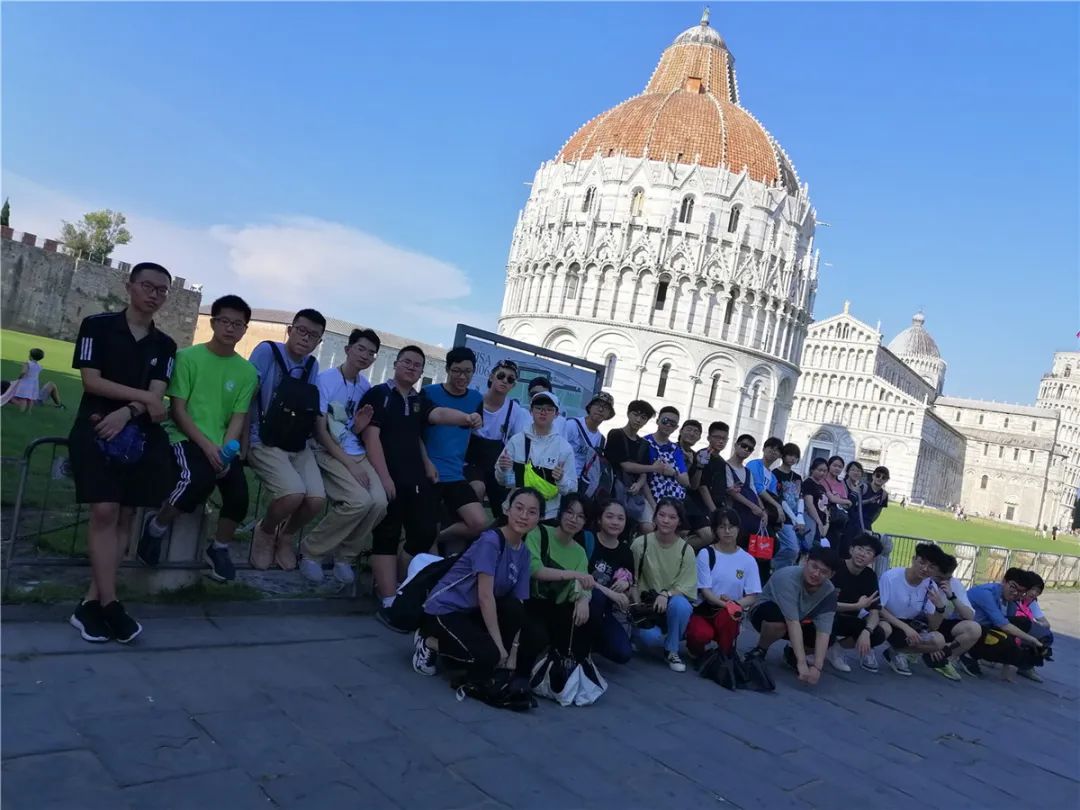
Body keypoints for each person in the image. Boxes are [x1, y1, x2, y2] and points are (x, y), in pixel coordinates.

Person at [67, 262, 177, 643]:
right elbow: (90, 380)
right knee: (104, 510)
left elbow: (158, 398)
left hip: (137, 435)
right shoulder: (97, 326)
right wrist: (144, 397)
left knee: (127, 514)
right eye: (148, 286)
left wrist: (131, 409)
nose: (155, 295)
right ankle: (111, 603)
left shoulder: (165, 346)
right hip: (95, 427)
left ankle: (90, 603)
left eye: (163, 290)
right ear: (129, 286)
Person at [137, 295, 258, 583]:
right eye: (225, 321)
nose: (230, 329)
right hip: (185, 437)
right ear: (213, 322)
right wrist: (207, 446)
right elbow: (178, 410)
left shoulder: (248, 372)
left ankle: (220, 548)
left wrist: (225, 452)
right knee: (196, 481)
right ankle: (155, 528)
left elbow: (238, 417)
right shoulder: (188, 358)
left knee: (239, 495)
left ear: (245, 329)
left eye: (237, 324)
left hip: (220, 444)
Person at [415, 487, 541, 689]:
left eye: (532, 512)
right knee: (490, 654)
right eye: (519, 508)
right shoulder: (491, 541)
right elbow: (485, 596)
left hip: (472, 613)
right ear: (507, 510)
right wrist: (500, 648)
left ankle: (480, 657)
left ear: (538, 519)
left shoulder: (524, 553)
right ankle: (428, 642)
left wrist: (513, 654)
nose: (524, 516)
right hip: (445, 610)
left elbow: (519, 604)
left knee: (513, 609)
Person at [300, 328, 386, 585]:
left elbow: (352, 428)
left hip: (355, 450)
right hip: (326, 449)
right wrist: (350, 464)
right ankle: (311, 551)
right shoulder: (325, 380)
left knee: (379, 503)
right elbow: (320, 429)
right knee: (358, 501)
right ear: (348, 349)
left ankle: (345, 556)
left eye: (371, 352)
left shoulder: (365, 386)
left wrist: (358, 427)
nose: (365, 355)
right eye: (361, 349)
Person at [244, 309, 327, 572]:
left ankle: (286, 535)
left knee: (315, 500)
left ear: (319, 342)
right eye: (301, 331)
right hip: (263, 438)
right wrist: (244, 442)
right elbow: (246, 397)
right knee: (292, 494)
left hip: (295, 441)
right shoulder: (266, 351)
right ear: (289, 330)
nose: (305, 338)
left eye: (313, 335)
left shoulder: (312, 366)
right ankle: (265, 531)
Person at [362, 346, 440, 609]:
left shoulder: (419, 399)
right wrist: (384, 478)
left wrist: (427, 461)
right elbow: (371, 437)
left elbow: (418, 431)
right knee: (388, 533)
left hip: (415, 476)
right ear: (395, 363)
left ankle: (398, 578)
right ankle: (387, 597)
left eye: (417, 365)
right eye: (407, 362)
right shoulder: (379, 394)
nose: (411, 367)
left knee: (426, 530)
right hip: (389, 477)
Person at [517, 494, 597, 679]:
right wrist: (574, 574)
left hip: (556, 606)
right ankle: (521, 677)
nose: (573, 519)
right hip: (529, 601)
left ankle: (568, 674)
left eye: (580, 516)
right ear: (560, 513)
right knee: (537, 634)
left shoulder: (579, 553)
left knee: (586, 619)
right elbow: (535, 570)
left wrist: (584, 600)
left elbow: (583, 584)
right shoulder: (539, 532)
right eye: (569, 512)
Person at [423, 347, 488, 553]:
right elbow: (417, 433)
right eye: (457, 370)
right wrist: (425, 462)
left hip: (455, 473)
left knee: (479, 523)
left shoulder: (476, 398)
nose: (462, 376)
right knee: (426, 543)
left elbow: (477, 426)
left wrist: (477, 420)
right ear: (447, 369)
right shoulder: (429, 393)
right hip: (429, 472)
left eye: (468, 371)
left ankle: (438, 536)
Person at [745, 547, 840, 687]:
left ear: (831, 575)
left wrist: (817, 667)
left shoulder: (829, 592)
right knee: (778, 621)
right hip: (767, 613)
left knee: (832, 634)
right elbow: (792, 622)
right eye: (814, 567)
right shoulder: (787, 577)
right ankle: (760, 649)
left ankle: (791, 654)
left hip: (800, 620)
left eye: (823, 572)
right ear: (806, 561)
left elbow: (823, 631)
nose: (816, 573)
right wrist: (802, 664)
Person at [629, 498, 696, 672]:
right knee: (649, 638)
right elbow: (632, 580)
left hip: (671, 602)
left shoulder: (686, 550)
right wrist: (636, 607)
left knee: (682, 605)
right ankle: (636, 635)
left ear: (679, 521)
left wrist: (666, 595)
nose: (666, 520)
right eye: (662, 515)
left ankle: (671, 650)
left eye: (672, 517)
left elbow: (687, 587)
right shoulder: (640, 544)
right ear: (655, 516)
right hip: (647, 605)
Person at [686, 508, 761, 659]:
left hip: (729, 612)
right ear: (715, 530)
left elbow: (752, 595)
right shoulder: (706, 554)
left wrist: (734, 604)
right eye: (722, 526)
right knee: (700, 634)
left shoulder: (748, 560)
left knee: (729, 617)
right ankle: (696, 650)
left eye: (731, 526)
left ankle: (724, 654)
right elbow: (705, 591)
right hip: (705, 609)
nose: (727, 531)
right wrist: (727, 604)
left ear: (738, 529)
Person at [495, 391, 577, 522]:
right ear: (530, 411)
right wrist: (503, 470)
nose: (543, 412)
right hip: (515, 512)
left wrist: (561, 479)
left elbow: (572, 489)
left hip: (546, 516)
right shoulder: (516, 441)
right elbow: (505, 482)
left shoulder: (564, 448)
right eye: (538, 408)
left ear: (557, 414)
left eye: (549, 409)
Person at [465, 359, 530, 520]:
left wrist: (514, 481)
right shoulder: (474, 401)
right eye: (501, 376)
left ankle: (498, 537)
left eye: (510, 379)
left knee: (507, 506)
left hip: (497, 465)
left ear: (513, 385)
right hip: (470, 463)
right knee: (477, 489)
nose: (504, 381)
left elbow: (519, 446)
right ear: (491, 376)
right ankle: (470, 529)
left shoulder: (515, 411)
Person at [876, 543, 950, 676]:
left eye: (931, 567)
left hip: (908, 623)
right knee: (884, 629)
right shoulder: (891, 577)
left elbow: (934, 626)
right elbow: (879, 607)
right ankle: (867, 650)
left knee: (938, 640)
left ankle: (897, 652)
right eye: (922, 562)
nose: (925, 569)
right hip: (886, 619)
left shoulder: (930, 586)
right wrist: (905, 628)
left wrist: (940, 607)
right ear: (913, 559)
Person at [965, 568, 1045, 682]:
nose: (1015, 592)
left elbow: (1011, 623)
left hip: (985, 627)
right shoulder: (986, 593)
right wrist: (1031, 639)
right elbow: (1004, 625)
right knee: (1006, 641)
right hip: (968, 627)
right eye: (1012, 587)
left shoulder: (1012, 598)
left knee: (1024, 624)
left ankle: (1022, 664)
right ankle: (968, 655)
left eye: (1020, 591)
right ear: (1004, 581)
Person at [581, 499, 635, 664]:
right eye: (609, 517)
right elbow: (580, 576)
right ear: (599, 519)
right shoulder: (587, 539)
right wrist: (609, 592)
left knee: (623, 653)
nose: (615, 522)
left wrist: (627, 584)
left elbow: (630, 578)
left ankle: (592, 642)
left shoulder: (625, 550)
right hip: (581, 600)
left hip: (605, 612)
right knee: (597, 596)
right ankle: (581, 647)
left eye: (620, 518)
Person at [826, 533, 888, 673]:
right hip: (826, 614)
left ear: (873, 559)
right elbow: (823, 604)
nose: (863, 554)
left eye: (868, 552)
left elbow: (874, 610)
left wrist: (867, 631)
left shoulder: (870, 576)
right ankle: (812, 649)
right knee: (830, 621)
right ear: (851, 549)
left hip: (848, 619)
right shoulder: (835, 567)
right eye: (860, 549)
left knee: (877, 634)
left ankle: (835, 651)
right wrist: (856, 606)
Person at [604, 399, 661, 536]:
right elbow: (625, 466)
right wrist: (654, 468)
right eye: (636, 415)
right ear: (628, 414)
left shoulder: (644, 444)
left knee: (649, 526)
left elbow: (643, 472)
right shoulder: (615, 434)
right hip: (613, 488)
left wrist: (639, 483)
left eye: (643, 418)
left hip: (635, 492)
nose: (638, 420)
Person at [923, 557, 982, 681]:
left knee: (974, 628)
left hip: (943, 623)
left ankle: (945, 657)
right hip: (923, 622)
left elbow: (970, 616)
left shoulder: (954, 584)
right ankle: (927, 649)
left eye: (947, 578)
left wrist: (952, 596)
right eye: (939, 578)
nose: (942, 582)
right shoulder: (924, 580)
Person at [563, 391, 616, 509]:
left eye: (606, 408)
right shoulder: (572, 425)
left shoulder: (601, 439)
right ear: (590, 407)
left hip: (580, 484)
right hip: (561, 477)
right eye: (598, 405)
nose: (601, 409)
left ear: (608, 415)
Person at [642, 407, 691, 530]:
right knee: (650, 527)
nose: (668, 425)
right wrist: (654, 506)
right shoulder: (644, 443)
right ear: (657, 421)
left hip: (673, 500)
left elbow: (686, 481)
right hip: (648, 496)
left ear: (676, 428)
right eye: (665, 420)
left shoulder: (676, 450)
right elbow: (641, 477)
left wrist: (673, 472)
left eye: (673, 423)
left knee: (683, 531)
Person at [725, 434, 767, 555]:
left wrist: (763, 511)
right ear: (736, 445)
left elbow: (754, 492)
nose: (746, 450)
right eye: (744, 446)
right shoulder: (726, 466)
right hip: (736, 517)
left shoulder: (747, 471)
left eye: (750, 448)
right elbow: (731, 491)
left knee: (752, 554)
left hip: (753, 519)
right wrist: (753, 507)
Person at [695, 421, 731, 547]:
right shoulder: (703, 455)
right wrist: (715, 512)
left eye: (724, 438)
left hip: (716, 506)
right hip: (699, 507)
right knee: (708, 536)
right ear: (709, 438)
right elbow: (702, 486)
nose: (721, 441)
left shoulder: (721, 461)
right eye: (717, 437)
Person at [1011, 574, 1053, 682]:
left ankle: (1026, 666)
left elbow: (1046, 624)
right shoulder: (1012, 597)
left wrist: (1036, 625)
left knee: (1045, 635)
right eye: (1033, 589)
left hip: (1022, 630)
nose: (1034, 593)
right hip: (1009, 627)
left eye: (1038, 591)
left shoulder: (1031, 602)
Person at [677, 420, 710, 547]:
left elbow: (693, 486)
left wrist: (699, 466)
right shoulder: (671, 449)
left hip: (689, 501)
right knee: (683, 530)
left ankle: (679, 551)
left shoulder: (697, 456)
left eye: (696, 432)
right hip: (671, 495)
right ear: (681, 431)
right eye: (689, 429)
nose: (692, 434)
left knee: (708, 535)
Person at [772, 443, 806, 569]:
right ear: (783, 455)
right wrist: (794, 518)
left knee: (794, 549)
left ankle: (781, 570)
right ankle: (775, 566)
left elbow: (800, 497)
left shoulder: (797, 477)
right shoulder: (775, 474)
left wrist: (800, 516)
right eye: (790, 455)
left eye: (796, 456)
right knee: (793, 548)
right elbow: (780, 498)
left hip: (796, 518)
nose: (793, 459)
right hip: (782, 517)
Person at [801, 459, 831, 550]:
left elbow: (824, 506)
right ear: (812, 469)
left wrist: (826, 521)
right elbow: (809, 504)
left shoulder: (821, 486)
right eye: (819, 470)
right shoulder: (808, 483)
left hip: (821, 522)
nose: (822, 473)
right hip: (811, 520)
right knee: (808, 547)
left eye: (825, 471)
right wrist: (818, 521)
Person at [823, 456, 852, 548]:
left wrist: (843, 501)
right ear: (829, 465)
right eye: (834, 465)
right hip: (823, 517)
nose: (837, 468)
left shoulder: (841, 483)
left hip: (837, 521)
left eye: (840, 467)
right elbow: (833, 499)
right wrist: (844, 501)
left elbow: (846, 505)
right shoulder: (822, 480)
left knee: (833, 546)